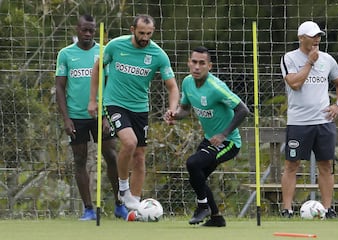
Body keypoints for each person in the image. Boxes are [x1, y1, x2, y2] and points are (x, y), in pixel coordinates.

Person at [88, 14, 179, 211]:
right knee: (129, 142)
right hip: (114, 103)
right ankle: (123, 188)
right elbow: (97, 69)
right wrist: (93, 100)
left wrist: (172, 109)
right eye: (141, 33)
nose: (145, 37)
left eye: (149, 33)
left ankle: (135, 208)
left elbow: (172, 87)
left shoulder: (158, 55)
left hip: (140, 108)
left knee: (139, 156)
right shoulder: (115, 46)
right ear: (132, 30)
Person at [164, 46, 249, 227]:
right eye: (194, 62)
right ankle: (216, 217)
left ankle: (203, 207)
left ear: (209, 66)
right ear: (189, 63)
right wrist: (174, 116)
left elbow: (243, 110)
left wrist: (223, 133)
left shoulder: (216, 88)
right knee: (197, 176)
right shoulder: (187, 82)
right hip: (210, 139)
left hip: (228, 142)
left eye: (202, 63)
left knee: (193, 164)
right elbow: (185, 109)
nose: (197, 67)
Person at [55, 14, 128, 220]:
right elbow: (60, 87)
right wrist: (66, 119)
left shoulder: (103, 53)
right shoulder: (66, 54)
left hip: (101, 115)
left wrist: (107, 115)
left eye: (91, 30)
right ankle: (88, 209)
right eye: (84, 29)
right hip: (76, 116)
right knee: (80, 160)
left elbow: (112, 84)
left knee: (111, 156)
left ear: (95, 31)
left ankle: (120, 204)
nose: (87, 34)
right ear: (77, 29)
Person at [280, 21, 338, 218]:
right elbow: (294, 83)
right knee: (292, 165)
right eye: (312, 35)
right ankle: (287, 209)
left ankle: (327, 209)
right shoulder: (289, 58)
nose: (317, 39)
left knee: (326, 164)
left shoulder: (328, 59)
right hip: (298, 122)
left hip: (324, 122)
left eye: (319, 35)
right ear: (301, 38)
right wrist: (310, 62)